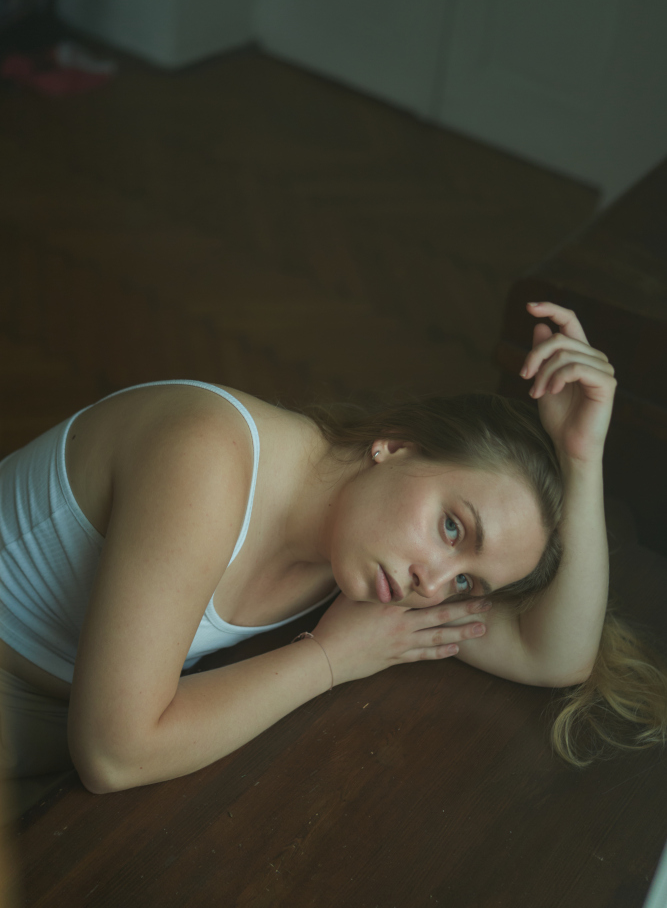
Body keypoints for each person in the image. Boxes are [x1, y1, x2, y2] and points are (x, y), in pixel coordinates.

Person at [0, 301, 665, 797]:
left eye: (467, 584)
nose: (433, 585)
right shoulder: (205, 457)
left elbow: (555, 655)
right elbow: (114, 755)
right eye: (452, 528)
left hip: (52, 740)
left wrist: (582, 459)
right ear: (395, 446)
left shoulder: (368, 553)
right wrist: (328, 659)